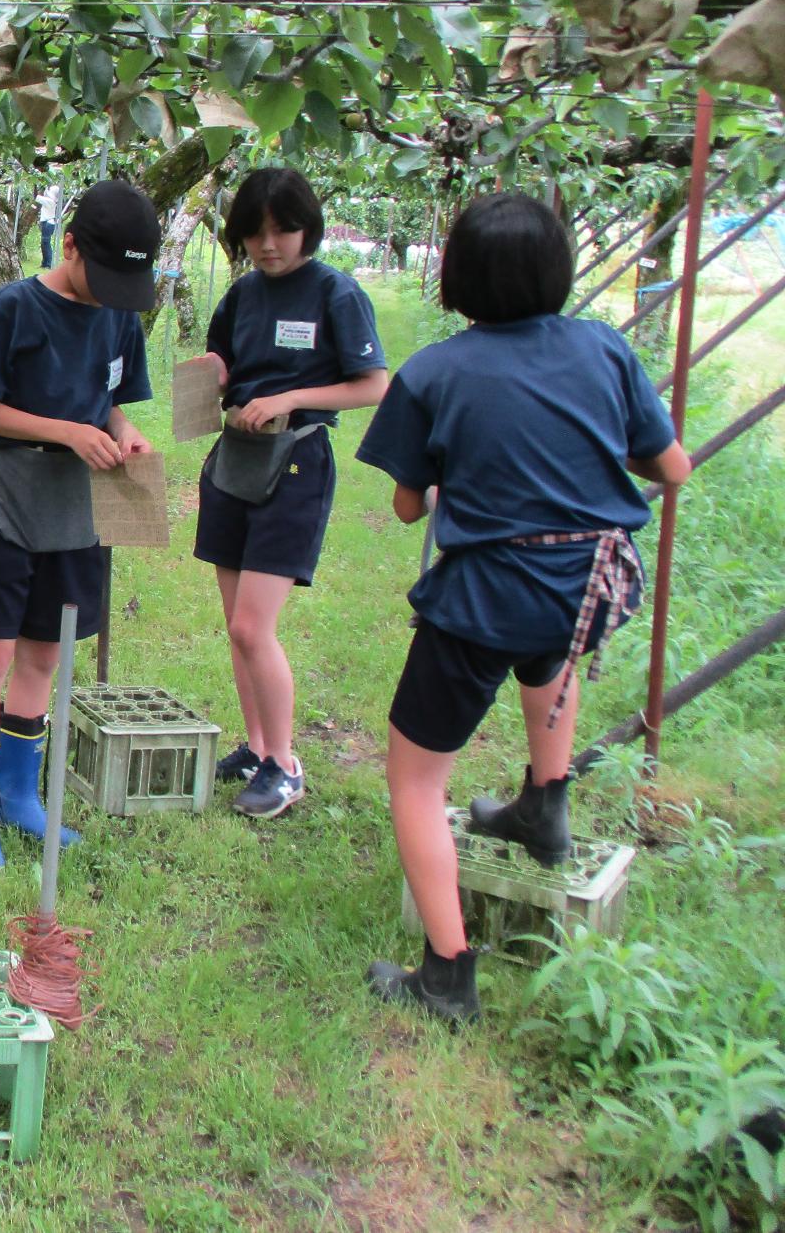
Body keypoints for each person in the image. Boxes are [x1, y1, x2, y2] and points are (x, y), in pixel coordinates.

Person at [356, 192, 690, 1023]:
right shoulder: (605, 350)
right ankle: (545, 804)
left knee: (414, 778)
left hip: (486, 600)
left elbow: (407, 507)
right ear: (559, 270)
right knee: (549, 655)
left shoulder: (435, 371)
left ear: (455, 278)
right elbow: (671, 469)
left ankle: (447, 972)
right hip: (588, 590)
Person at [0, 180, 160, 869]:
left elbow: (114, 403)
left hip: (77, 504)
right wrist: (68, 431)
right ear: (69, 244)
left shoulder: (118, 313)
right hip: (7, 496)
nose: (114, 293)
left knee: (45, 652)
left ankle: (19, 796)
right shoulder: (14, 307)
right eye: (106, 275)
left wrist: (125, 434)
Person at [195, 168, 388, 818]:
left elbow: (372, 384)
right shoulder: (244, 295)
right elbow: (222, 358)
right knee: (236, 627)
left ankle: (284, 763)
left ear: (310, 228)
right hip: (235, 459)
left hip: (296, 460)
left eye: (283, 230)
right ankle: (255, 748)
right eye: (255, 232)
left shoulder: (336, 294)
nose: (269, 244)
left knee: (255, 625)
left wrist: (291, 396)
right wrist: (212, 375)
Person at [36, 182, 62, 269]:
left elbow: (36, 196)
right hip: (47, 223)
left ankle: (48, 264)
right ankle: (45, 263)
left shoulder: (50, 201)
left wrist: (36, 184)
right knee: (44, 244)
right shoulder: (50, 201)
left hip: (48, 223)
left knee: (46, 243)